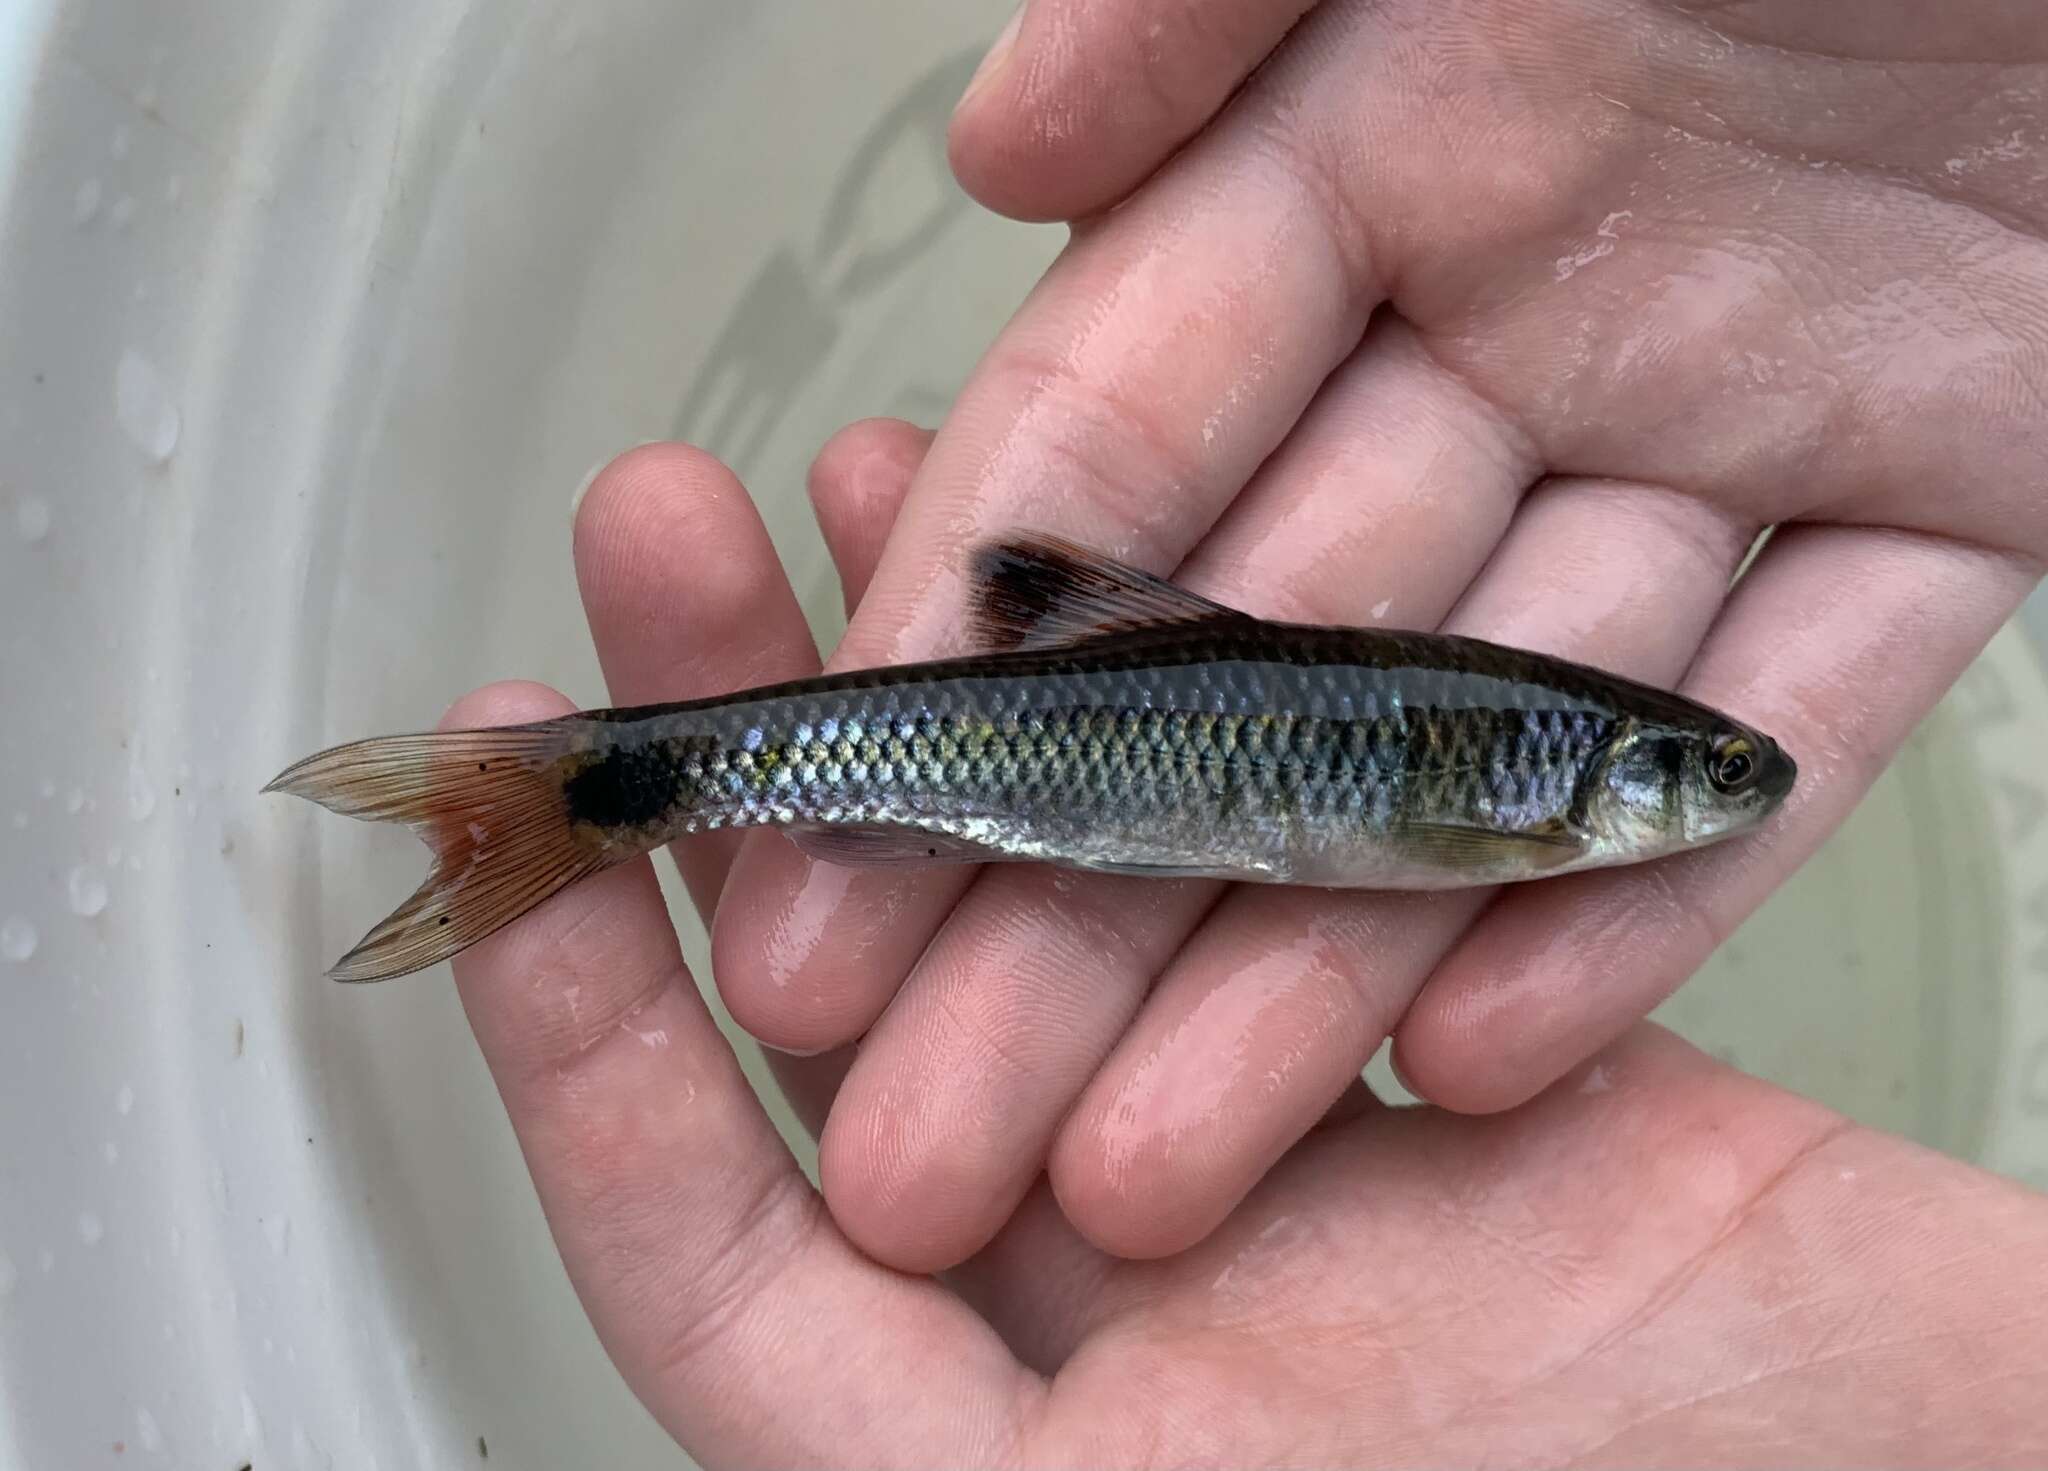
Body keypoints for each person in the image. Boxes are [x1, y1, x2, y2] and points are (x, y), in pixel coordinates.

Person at [446, 2, 2048, 1462]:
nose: (1737, 785)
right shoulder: (1534, 801)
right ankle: (597, 786)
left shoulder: (1542, 757)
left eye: (1719, 768)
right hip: (1102, 724)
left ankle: (604, 782)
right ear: (1612, 770)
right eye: (1707, 769)